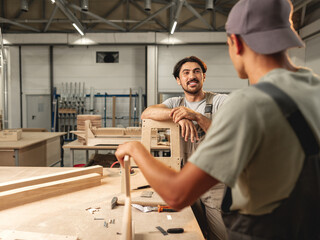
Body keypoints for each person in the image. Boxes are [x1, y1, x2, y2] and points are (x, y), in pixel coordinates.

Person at [115, 0, 320, 239]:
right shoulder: (314, 88)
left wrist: (136, 149)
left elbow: (177, 194)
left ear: (237, 43)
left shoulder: (247, 105)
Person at [141, 56, 228, 240]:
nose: (192, 76)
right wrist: (179, 116)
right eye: (186, 73)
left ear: (203, 76)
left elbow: (227, 136)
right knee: (191, 233)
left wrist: (196, 116)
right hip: (184, 178)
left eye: (196, 71)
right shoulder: (174, 103)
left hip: (214, 180)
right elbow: (146, 113)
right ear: (178, 80)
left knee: (221, 234)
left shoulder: (221, 101)